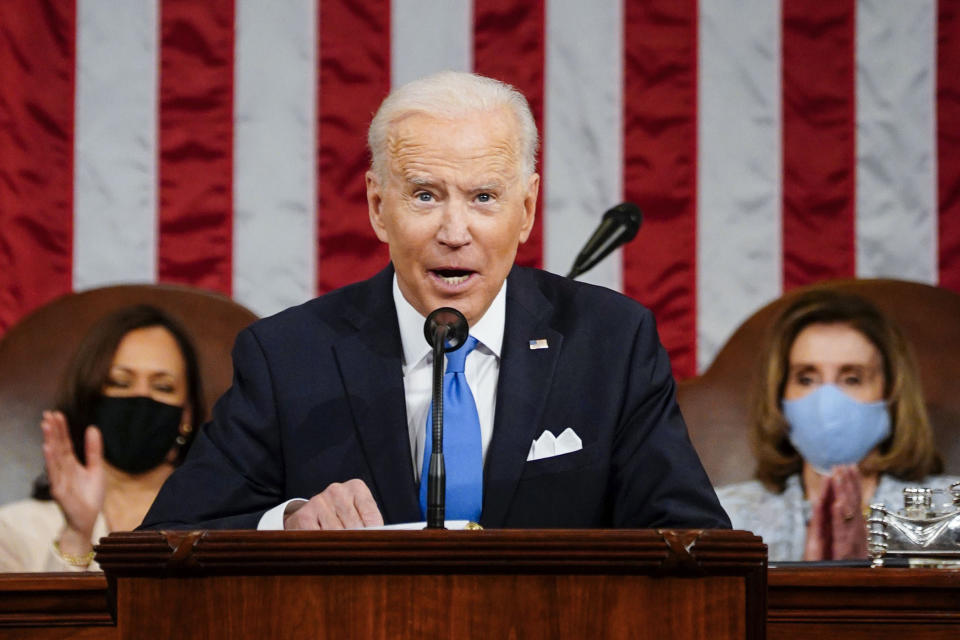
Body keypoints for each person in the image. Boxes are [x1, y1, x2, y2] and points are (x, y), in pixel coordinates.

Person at [142, 71, 729, 531]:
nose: (455, 230)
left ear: (525, 210)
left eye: (483, 197)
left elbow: (692, 540)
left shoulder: (608, 343)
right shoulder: (289, 356)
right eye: (425, 195)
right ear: (378, 207)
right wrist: (285, 522)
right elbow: (169, 539)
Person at [715, 289, 960, 562]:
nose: (827, 402)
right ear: (779, 394)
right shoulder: (727, 520)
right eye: (806, 379)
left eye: (852, 378)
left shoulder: (950, 517)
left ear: (891, 394)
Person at [0, 305, 203, 571]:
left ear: (186, 416)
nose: (141, 398)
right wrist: (76, 535)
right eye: (120, 383)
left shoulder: (217, 524)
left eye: (162, 387)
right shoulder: (15, 530)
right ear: (90, 401)